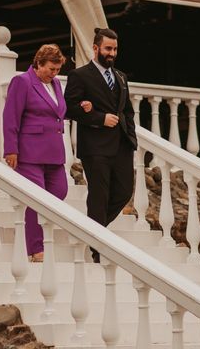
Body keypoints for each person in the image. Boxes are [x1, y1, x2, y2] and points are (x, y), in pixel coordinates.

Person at [3, 44, 87, 262]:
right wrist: (11, 149)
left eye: (57, 69)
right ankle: (35, 249)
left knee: (60, 191)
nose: (54, 73)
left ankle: (35, 232)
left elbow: (59, 112)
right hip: (29, 152)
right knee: (35, 199)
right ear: (38, 63)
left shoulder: (57, 84)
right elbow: (10, 116)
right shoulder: (22, 82)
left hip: (54, 152)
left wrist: (82, 106)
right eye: (51, 68)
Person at [64, 28, 137, 262]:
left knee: (124, 191)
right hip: (95, 147)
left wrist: (131, 138)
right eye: (108, 48)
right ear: (95, 48)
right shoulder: (80, 75)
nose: (112, 53)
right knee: (99, 195)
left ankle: (93, 231)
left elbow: (128, 111)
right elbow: (68, 109)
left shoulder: (121, 77)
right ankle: (97, 248)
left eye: (115, 49)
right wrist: (98, 118)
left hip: (121, 146)